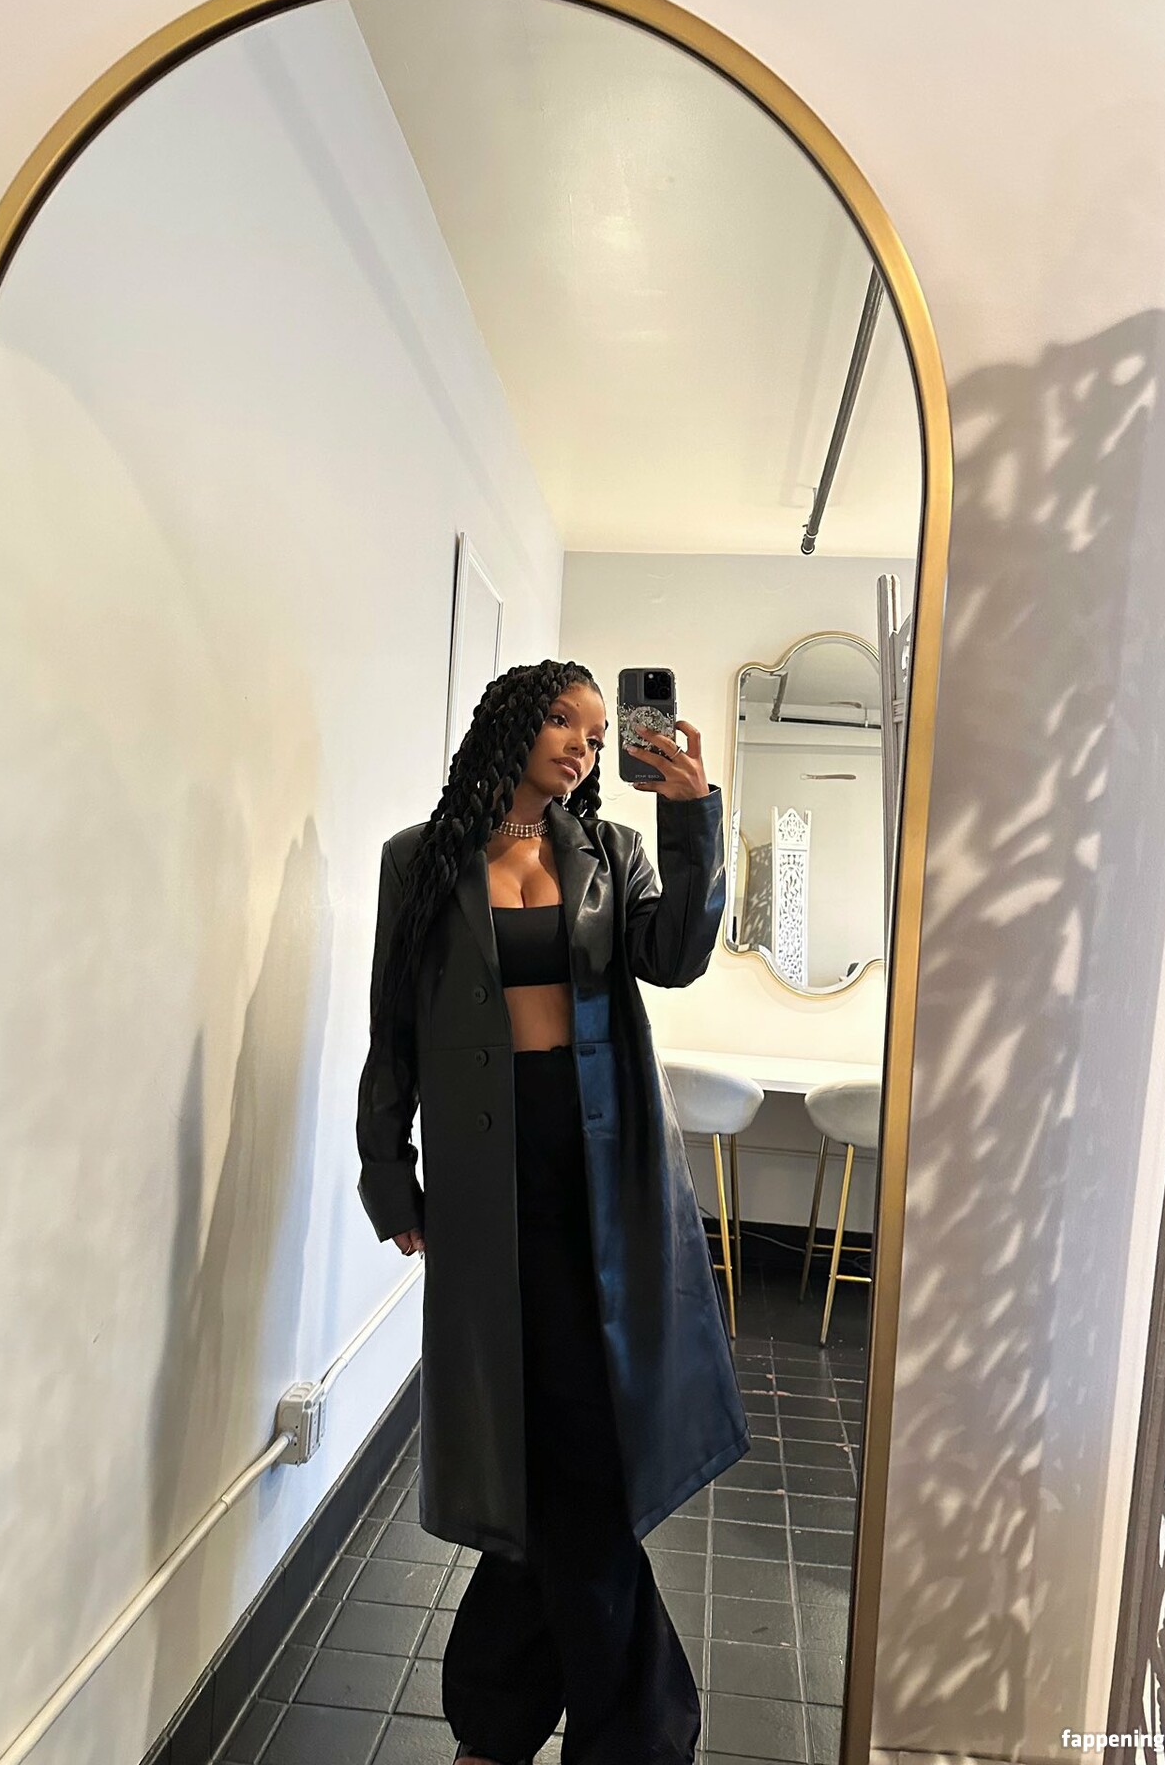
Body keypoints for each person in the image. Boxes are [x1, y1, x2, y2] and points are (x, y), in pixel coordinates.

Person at [355, 657, 749, 1765]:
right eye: (566, 723)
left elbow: (675, 958)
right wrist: (387, 1169)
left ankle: (506, 1717)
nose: (584, 746)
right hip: (486, 1180)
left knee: (574, 1440)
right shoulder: (419, 861)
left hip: (603, 1171)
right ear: (514, 723)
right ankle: (615, 1726)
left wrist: (692, 820)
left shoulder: (612, 853)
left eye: (596, 733)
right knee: (549, 1439)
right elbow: (393, 1027)